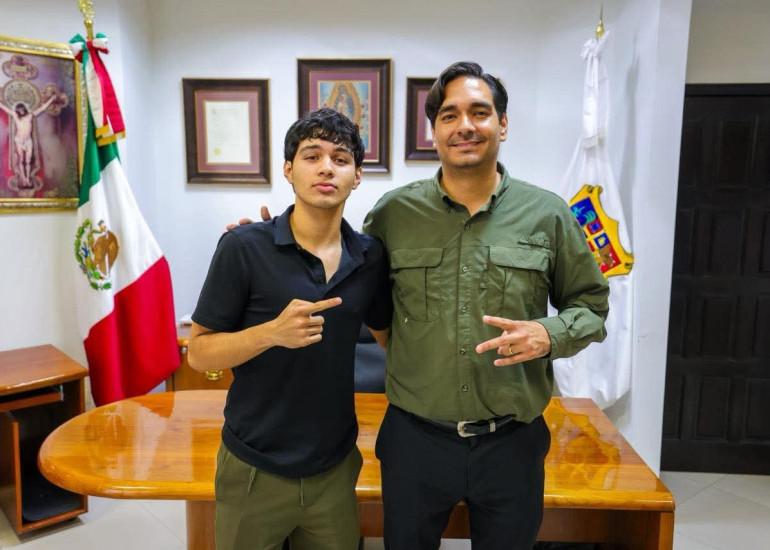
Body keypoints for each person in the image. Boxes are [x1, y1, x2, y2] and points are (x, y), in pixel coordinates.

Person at [243, 61, 609, 549]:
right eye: (449, 115)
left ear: (502, 124)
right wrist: (270, 243)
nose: (464, 126)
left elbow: (591, 305)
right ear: (434, 130)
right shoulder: (394, 214)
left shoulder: (548, 214)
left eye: (479, 112)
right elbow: (346, 273)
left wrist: (549, 334)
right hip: (416, 442)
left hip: (512, 442)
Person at [189, 108, 391, 550]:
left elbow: (389, 339)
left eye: (341, 158)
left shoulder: (370, 256)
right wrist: (270, 333)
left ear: (357, 176)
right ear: (288, 169)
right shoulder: (244, 247)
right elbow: (198, 352)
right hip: (254, 466)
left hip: (334, 467)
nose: (326, 167)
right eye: (312, 156)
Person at [0, 96, 56, 188]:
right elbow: (4, 108)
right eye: (19, 109)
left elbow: (42, 108)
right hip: (19, 141)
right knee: (21, 160)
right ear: (17, 110)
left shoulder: (30, 115)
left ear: (24, 109)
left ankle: (28, 178)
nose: (21, 111)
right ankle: (24, 178)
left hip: (28, 141)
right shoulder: (15, 116)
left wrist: (51, 100)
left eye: (22, 109)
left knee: (28, 161)